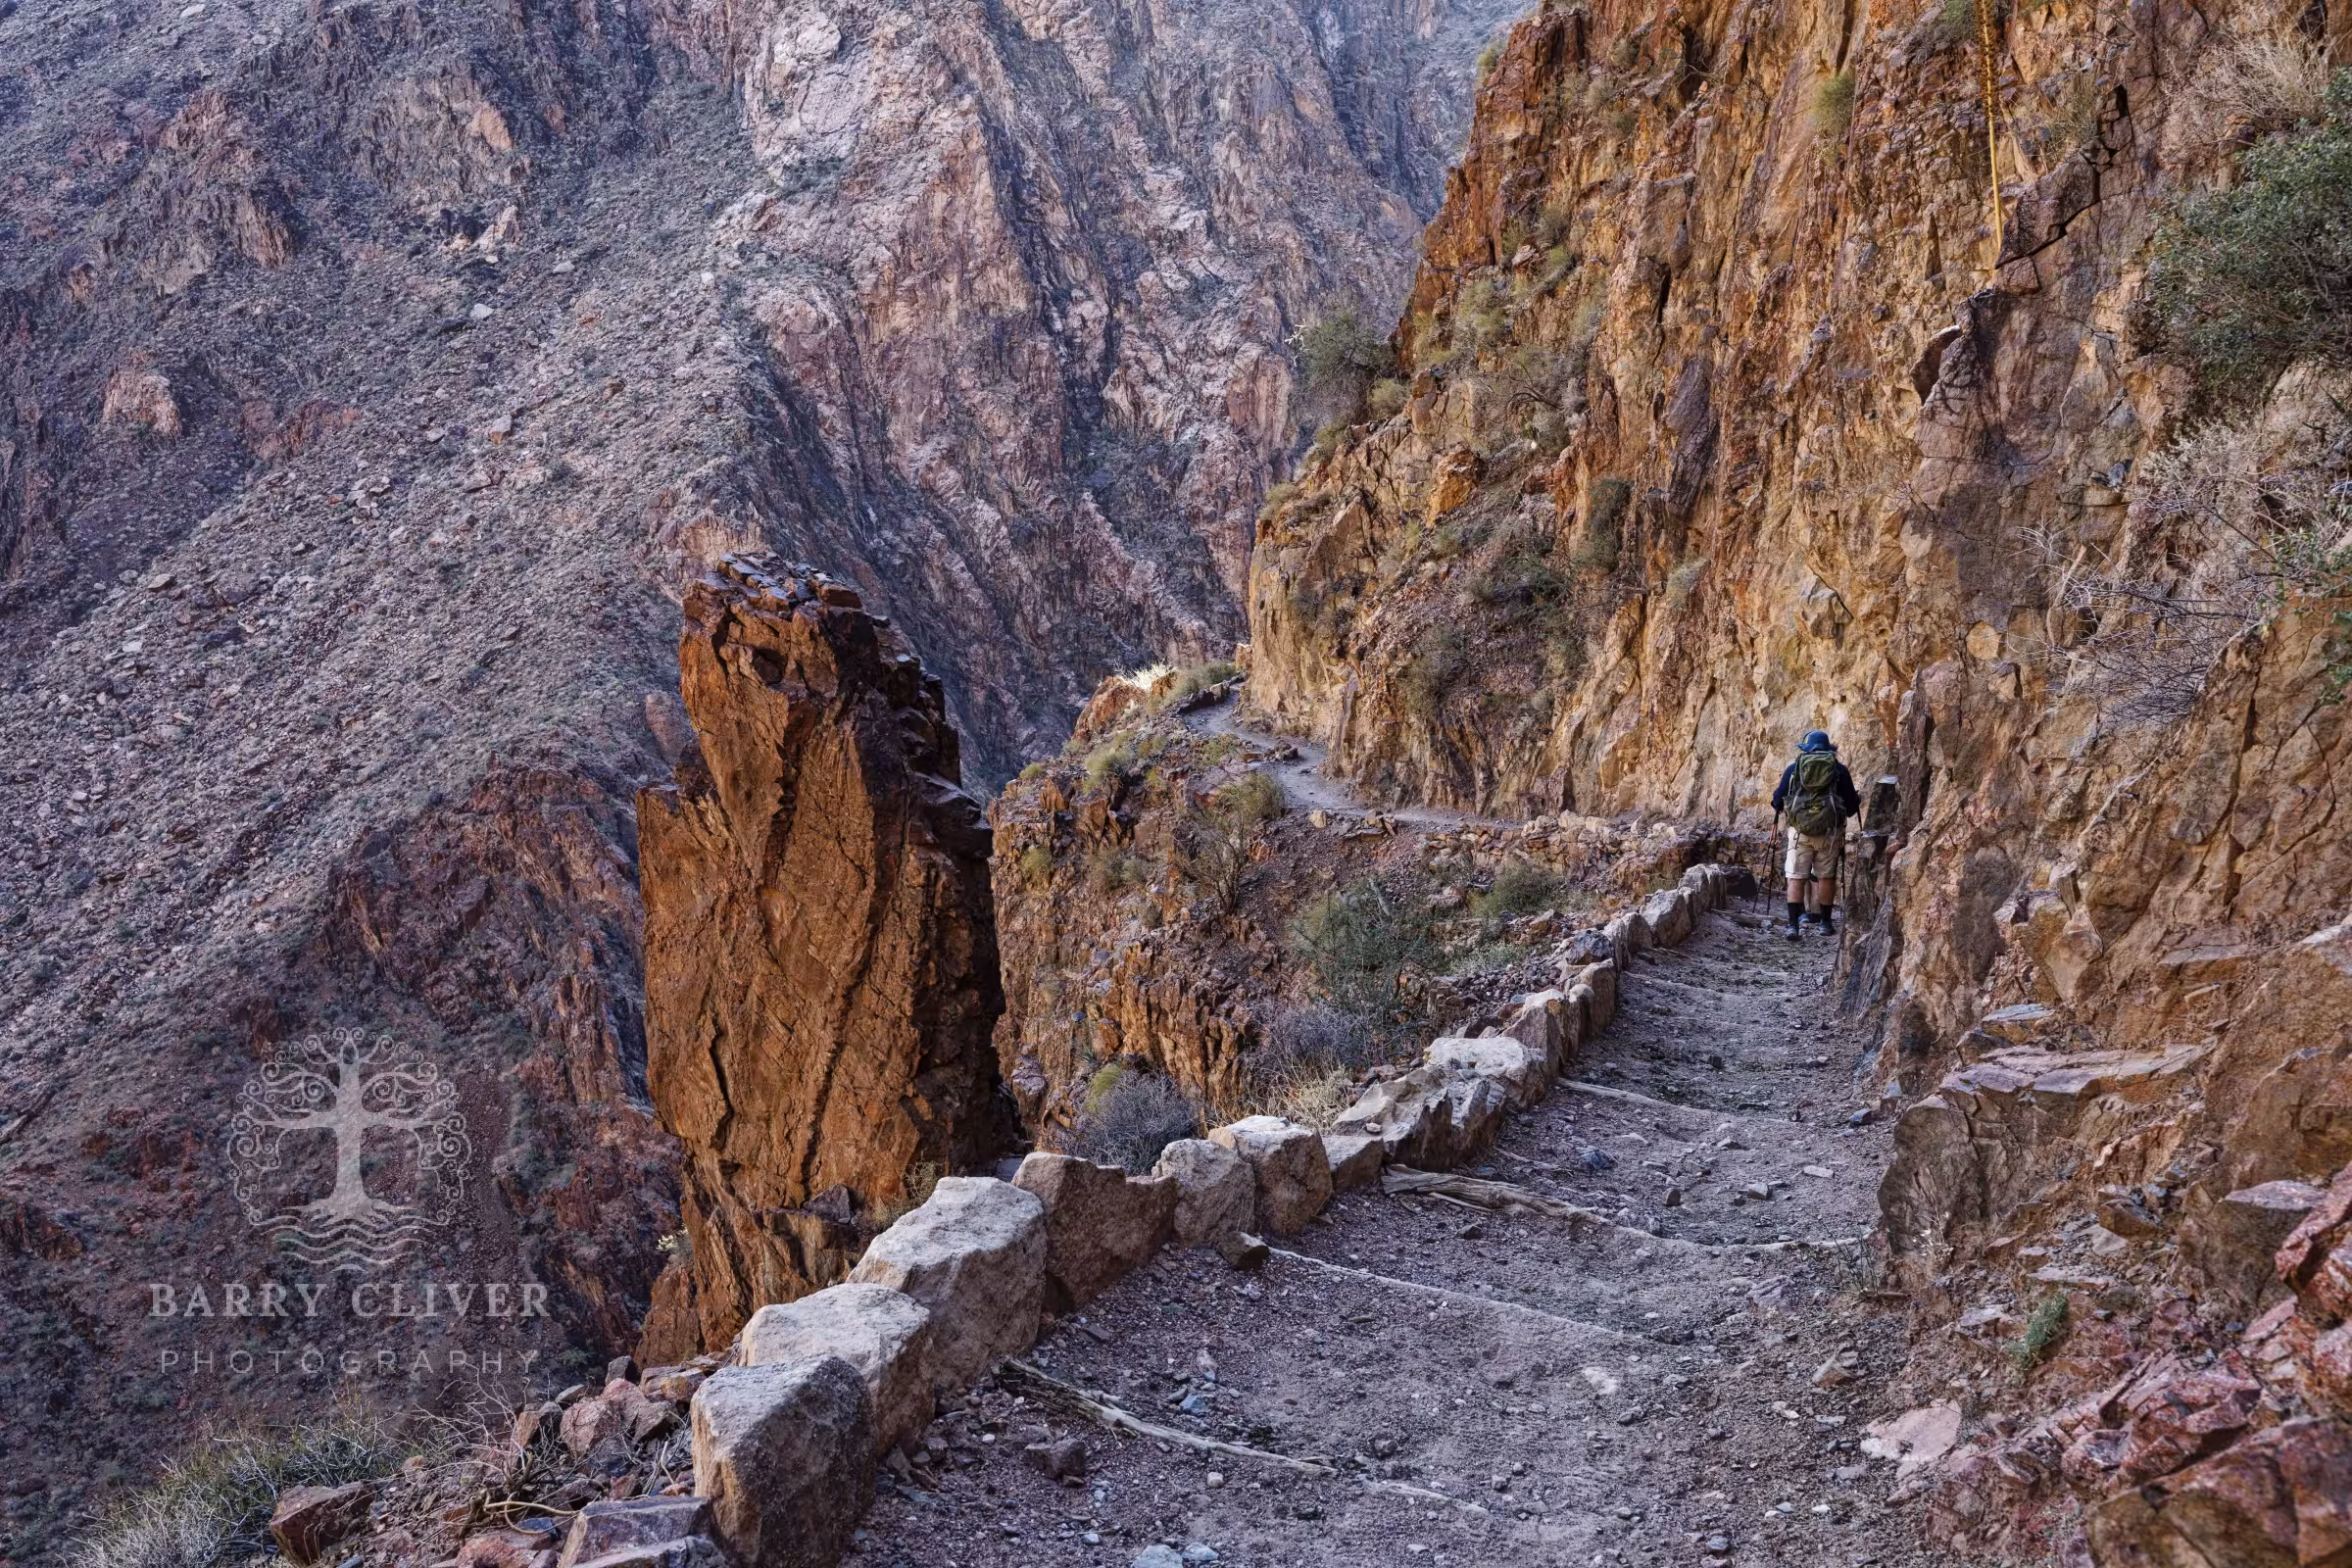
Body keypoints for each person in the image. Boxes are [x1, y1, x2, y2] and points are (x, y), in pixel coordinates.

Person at [1770, 730, 1860, 941]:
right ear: (1829, 749)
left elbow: (1778, 800)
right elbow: (1851, 807)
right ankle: (1825, 923)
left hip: (1799, 833)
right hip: (1830, 832)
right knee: (1826, 876)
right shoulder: (1838, 770)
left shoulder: (1794, 769)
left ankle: (1793, 926)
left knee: (1795, 877)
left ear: (1805, 748)